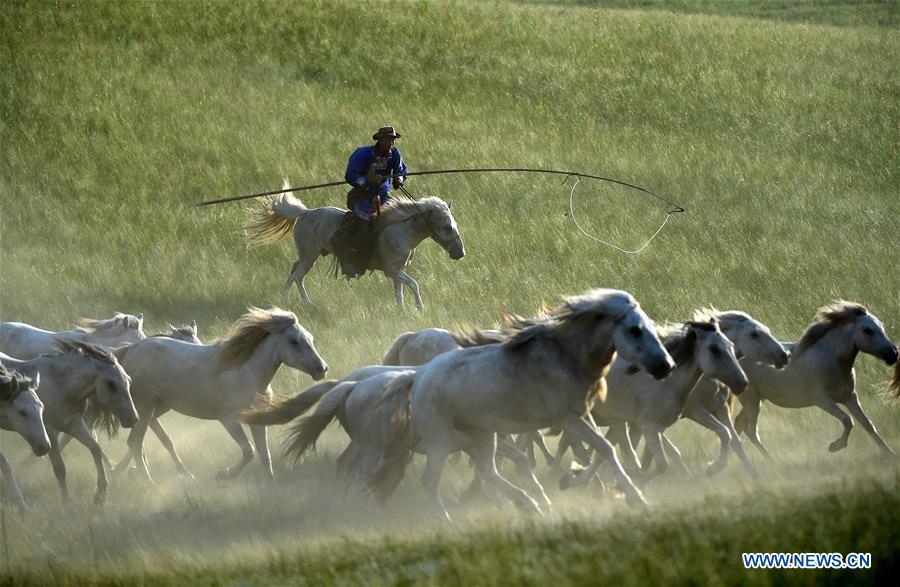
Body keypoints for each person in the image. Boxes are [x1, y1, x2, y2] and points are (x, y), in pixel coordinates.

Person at [330, 126, 409, 279]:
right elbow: (350, 175)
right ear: (379, 140)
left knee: (400, 216)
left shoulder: (395, 154)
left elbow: (401, 171)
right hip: (361, 197)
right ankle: (351, 256)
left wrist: (399, 179)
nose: (391, 142)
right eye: (388, 139)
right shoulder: (363, 154)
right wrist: (366, 180)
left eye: (393, 139)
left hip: (383, 198)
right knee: (369, 221)